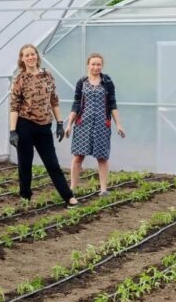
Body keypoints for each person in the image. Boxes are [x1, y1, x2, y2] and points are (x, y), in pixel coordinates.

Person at [9, 44, 77, 207]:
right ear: (22, 59)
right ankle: (25, 197)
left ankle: (68, 196)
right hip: (25, 125)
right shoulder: (20, 79)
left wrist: (60, 123)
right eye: (27, 55)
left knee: (52, 163)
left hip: (44, 126)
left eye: (33, 54)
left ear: (37, 56)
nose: (31, 57)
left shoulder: (47, 75)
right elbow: (14, 106)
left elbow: (54, 100)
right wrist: (13, 130)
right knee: (25, 163)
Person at [65, 53, 126, 196]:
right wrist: (69, 124)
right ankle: (72, 188)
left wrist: (118, 124)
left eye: (98, 64)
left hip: (101, 125)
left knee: (102, 157)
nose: (95, 67)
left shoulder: (107, 82)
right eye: (93, 64)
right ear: (88, 65)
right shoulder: (82, 82)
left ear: (102, 66)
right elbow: (76, 104)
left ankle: (103, 189)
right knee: (78, 156)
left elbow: (112, 105)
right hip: (82, 124)